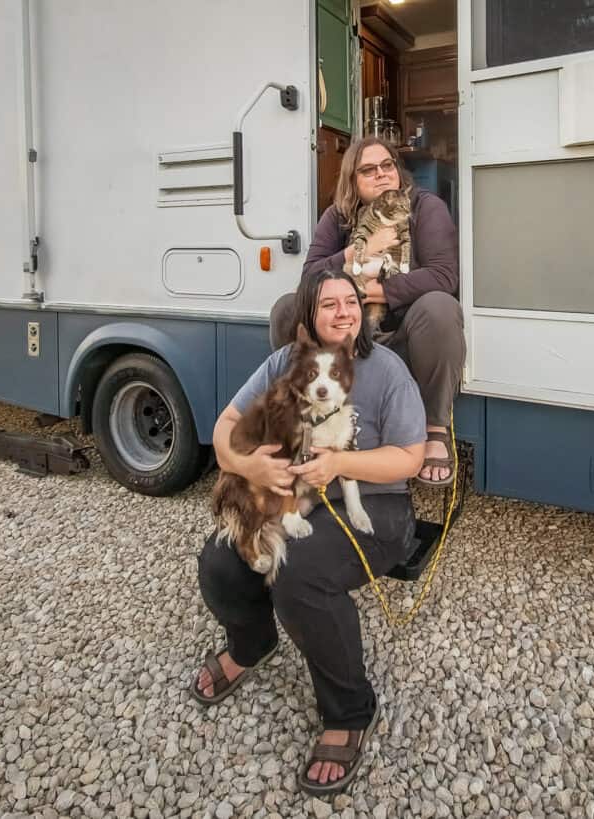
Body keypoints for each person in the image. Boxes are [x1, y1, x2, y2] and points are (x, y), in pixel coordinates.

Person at [193, 269, 426, 795]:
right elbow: (224, 429)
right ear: (308, 315)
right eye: (329, 304)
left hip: (373, 502)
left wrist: (341, 462)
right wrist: (250, 469)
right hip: (294, 494)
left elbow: (409, 460)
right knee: (220, 561)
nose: (344, 311)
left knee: (300, 576)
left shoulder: (386, 370)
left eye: (351, 301)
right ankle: (252, 646)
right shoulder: (283, 362)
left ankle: (348, 712)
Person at [270, 136, 464, 486]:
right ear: (353, 182)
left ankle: (435, 427)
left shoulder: (425, 207)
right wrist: (353, 253)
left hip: (404, 332)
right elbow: (309, 278)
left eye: (387, 165)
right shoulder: (338, 216)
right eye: (368, 170)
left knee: (440, 307)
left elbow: (443, 275)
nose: (381, 174)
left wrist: (378, 291)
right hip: (347, 336)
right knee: (287, 308)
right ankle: (301, 416)